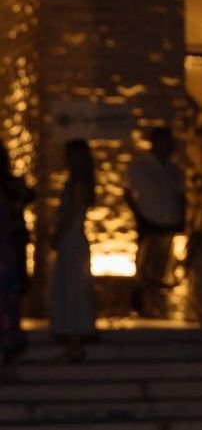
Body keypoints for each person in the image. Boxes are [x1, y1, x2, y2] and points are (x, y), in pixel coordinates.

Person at [123, 127, 185, 318]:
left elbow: (180, 196)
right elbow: (127, 192)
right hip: (148, 221)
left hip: (169, 222)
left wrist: (181, 218)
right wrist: (139, 215)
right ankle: (141, 305)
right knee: (145, 267)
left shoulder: (174, 170)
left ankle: (158, 305)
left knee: (162, 266)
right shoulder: (139, 166)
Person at [50, 139, 98, 362]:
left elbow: (70, 215)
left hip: (72, 242)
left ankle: (76, 342)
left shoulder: (79, 185)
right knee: (69, 290)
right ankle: (72, 343)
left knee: (73, 291)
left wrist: (57, 236)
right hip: (70, 242)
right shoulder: (74, 183)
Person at [0, 144, 34, 375]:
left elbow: (26, 200)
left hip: (7, 252)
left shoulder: (13, 187)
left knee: (8, 303)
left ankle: (6, 361)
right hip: (8, 252)